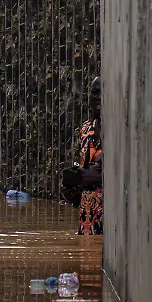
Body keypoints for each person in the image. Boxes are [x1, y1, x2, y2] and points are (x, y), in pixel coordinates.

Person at [60, 76, 102, 235]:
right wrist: (72, 188)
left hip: (111, 216)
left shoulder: (119, 132)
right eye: (95, 92)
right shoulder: (85, 129)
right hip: (87, 218)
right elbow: (83, 167)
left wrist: (96, 176)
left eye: (103, 92)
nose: (99, 97)